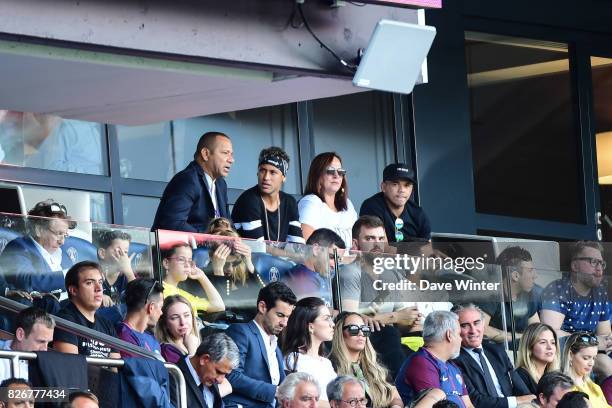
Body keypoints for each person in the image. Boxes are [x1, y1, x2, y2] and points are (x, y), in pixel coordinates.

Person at [339, 215, 421, 378]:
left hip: (390, 343)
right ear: (356, 244)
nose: (377, 244)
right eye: (369, 238)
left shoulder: (392, 273)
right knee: (389, 334)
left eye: (381, 238)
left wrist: (411, 319)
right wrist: (394, 317)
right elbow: (348, 320)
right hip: (363, 341)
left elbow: (403, 321)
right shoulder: (350, 272)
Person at [541, 241, 612, 379]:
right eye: (593, 262)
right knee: (606, 364)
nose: (599, 269)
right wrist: (592, 341)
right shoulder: (558, 290)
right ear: (575, 266)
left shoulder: (600, 293)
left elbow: (605, 333)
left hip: (590, 351)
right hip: (564, 354)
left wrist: (605, 341)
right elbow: (549, 333)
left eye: (601, 263)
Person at [224, 282, 297, 408]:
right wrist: (274, 391)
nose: (284, 323)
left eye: (288, 317)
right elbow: (231, 375)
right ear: (262, 307)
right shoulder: (240, 332)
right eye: (280, 315)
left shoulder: (275, 346)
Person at [452, 304, 534, 408]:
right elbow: (476, 401)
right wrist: (516, 401)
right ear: (455, 329)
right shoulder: (454, 359)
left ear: (483, 325)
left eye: (477, 323)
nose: (473, 330)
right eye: (465, 325)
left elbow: (524, 393)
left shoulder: (497, 351)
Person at [152, 131, 233, 232]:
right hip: (185, 246)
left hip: (213, 246)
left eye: (231, 154)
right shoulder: (187, 180)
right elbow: (173, 223)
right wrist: (208, 240)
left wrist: (234, 241)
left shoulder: (221, 184)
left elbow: (228, 224)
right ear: (206, 154)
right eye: (225, 153)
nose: (231, 160)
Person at [395, 311, 474, 408]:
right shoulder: (421, 363)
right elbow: (437, 406)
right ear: (449, 335)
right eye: (458, 334)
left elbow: (468, 405)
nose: (461, 339)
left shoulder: (452, 366)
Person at [0, 200, 76, 297]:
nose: (62, 241)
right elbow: (28, 282)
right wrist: (68, 276)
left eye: (65, 235)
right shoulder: (19, 247)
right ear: (39, 230)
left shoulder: (62, 253)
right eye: (58, 234)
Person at [329, 312, 403, 408]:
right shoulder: (330, 368)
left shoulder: (374, 366)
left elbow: (395, 397)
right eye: (354, 329)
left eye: (365, 329)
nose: (361, 334)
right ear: (340, 333)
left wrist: (396, 406)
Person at [232, 146, 304, 243]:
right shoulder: (249, 200)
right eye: (262, 170)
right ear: (257, 173)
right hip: (246, 257)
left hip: (276, 258)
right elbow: (258, 248)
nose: (266, 177)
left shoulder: (289, 202)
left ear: (283, 177)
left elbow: (298, 245)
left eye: (273, 172)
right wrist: (290, 254)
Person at [52, 261, 120, 359]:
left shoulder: (107, 325)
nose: (99, 288)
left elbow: (115, 370)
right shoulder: (64, 321)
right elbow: (70, 368)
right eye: (89, 283)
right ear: (74, 290)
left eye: (100, 282)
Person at [281, 297, 336, 404]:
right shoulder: (294, 360)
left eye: (331, 318)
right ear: (310, 327)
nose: (332, 324)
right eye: (326, 318)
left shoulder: (326, 362)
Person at [480, 247, 539, 345]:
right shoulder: (490, 293)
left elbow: (538, 331)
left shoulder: (528, 294)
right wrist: (521, 337)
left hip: (521, 353)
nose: (535, 275)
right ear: (515, 276)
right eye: (530, 271)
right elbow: (481, 330)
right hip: (496, 353)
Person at [298, 152, 357, 249]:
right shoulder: (310, 202)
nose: (336, 175)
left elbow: (358, 243)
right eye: (330, 171)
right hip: (324, 263)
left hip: (349, 263)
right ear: (318, 175)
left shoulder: (348, 204)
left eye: (340, 172)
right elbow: (306, 247)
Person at [359, 163, 431, 241]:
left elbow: (427, 248)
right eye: (395, 184)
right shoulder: (371, 207)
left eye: (406, 185)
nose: (402, 190)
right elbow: (380, 246)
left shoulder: (418, 213)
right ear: (383, 187)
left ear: (412, 189)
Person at [206, 230, 264, 319]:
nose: (230, 268)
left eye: (235, 263)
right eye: (224, 263)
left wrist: (249, 263)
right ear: (212, 257)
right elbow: (225, 310)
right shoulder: (205, 277)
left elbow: (265, 295)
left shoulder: (242, 274)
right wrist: (218, 271)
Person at [174, 332, 239, 408]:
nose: (220, 380)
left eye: (225, 374)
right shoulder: (174, 378)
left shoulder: (208, 377)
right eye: (218, 372)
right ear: (204, 359)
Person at [282, 228, 345, 305]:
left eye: (338, 259)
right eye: (331, 257)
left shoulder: (323, 274)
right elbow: (313, 313)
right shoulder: (301, 276)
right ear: (316, 249)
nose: (334, 265)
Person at [161, 242, 225, 314]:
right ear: (166, 263)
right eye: (181, 259)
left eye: (189, 261)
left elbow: (219, 306)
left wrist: (202, 276)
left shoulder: (183, 294)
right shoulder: (159, 291)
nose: (187, 265)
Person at [93, 229, 136, 325]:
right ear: (102, 253)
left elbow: (141, 300)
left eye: (125, 252)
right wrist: (96, 296)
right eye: (118, 251)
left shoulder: (129, 277)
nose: (123, 257)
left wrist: (129, 272)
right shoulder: (93, 276)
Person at [0, 307, 54, 381]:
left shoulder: (47, 364)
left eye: (48, 343)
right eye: (41, 341)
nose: (45, 349)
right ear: (20, 334)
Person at [560, 332, 611, 408]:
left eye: (594, 358)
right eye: (586, 358)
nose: (591, 363)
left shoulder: (595, 387)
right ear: (570, 355)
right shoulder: (563, 388)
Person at [116, 278, 164, 357]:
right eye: (160, 307)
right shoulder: (124, 337)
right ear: (151, 307)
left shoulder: (151, 338)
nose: (161, 312)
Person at [515, 323, 560, 395]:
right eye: (543, 342)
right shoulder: (520, 376)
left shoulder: (554, 377)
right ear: (529, 347)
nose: (550, 347)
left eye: (553, 342)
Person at [155, 295, 201, 364]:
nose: (183, 322)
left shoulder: (197, 340)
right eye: (174, 318)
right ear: (165, 323)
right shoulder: (167, 350)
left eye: (186, 315)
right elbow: (192, 374)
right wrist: (192, 352)